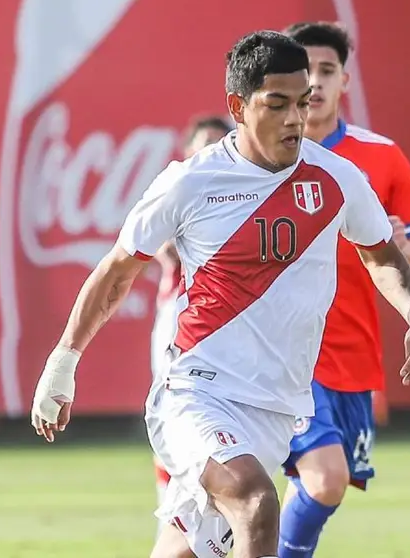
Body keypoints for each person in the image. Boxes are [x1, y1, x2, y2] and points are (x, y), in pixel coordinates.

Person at [29, 30, 410, 558]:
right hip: (196, 394)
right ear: (237, 106)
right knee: (256, 502)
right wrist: (63, 362)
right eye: (277, 104)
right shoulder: (190, 183)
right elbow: (116, 274)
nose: (295, 119)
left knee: (187, 547)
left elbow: (382, 255)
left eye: (302, 103)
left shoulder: (337, 178)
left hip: (276, 407)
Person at [277, 21, 410, 558]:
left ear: (345, 80)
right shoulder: (262, 155)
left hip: (352, 356)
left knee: (317, 487)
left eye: (327, 71)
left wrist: (400, 246)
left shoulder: (380, 157)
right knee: (325, 479)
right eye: (306, 71)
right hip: (282, 354)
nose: (316, 82)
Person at [150, 114, 233, 539]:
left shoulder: (246, 193)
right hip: (179, 316)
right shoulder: (180, 187)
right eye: (204, 144)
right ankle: (173, 522)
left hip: (230, 323)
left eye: (221, 143)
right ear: (188, 151)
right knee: (172, 414)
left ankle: (210, 525)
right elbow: (155, 243)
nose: (212, 152)